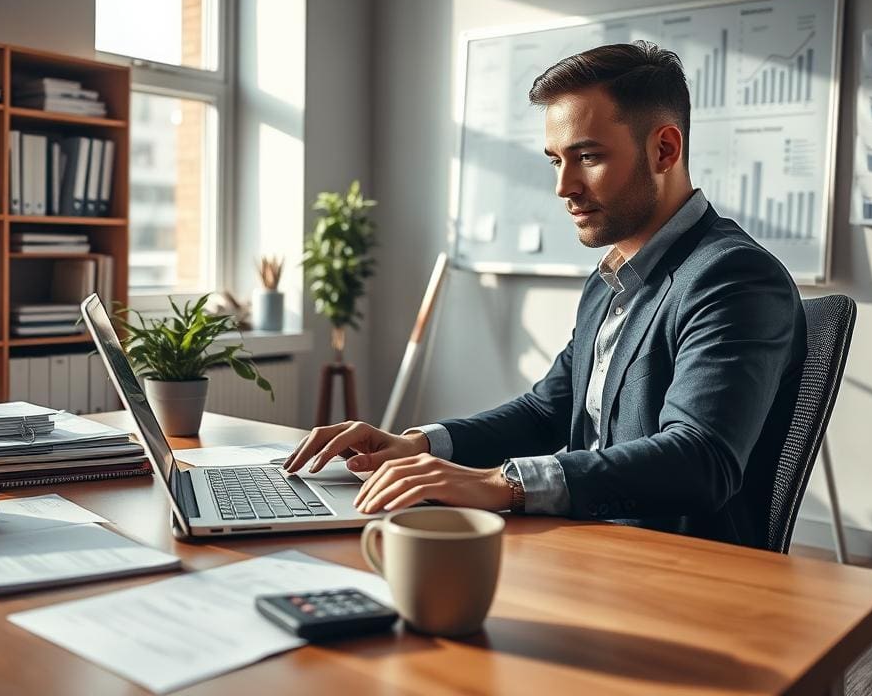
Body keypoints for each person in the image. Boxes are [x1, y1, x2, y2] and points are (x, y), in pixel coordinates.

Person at [284, 41, 807, 549]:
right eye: (555, 160)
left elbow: (699, 460)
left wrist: (503, 484)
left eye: (587, 157)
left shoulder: (733, 277)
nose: (564, 186)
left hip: (679, 573)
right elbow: (545, 413)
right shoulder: (614, 278)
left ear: (664, 149)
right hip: (592, 548)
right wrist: (417, 444)